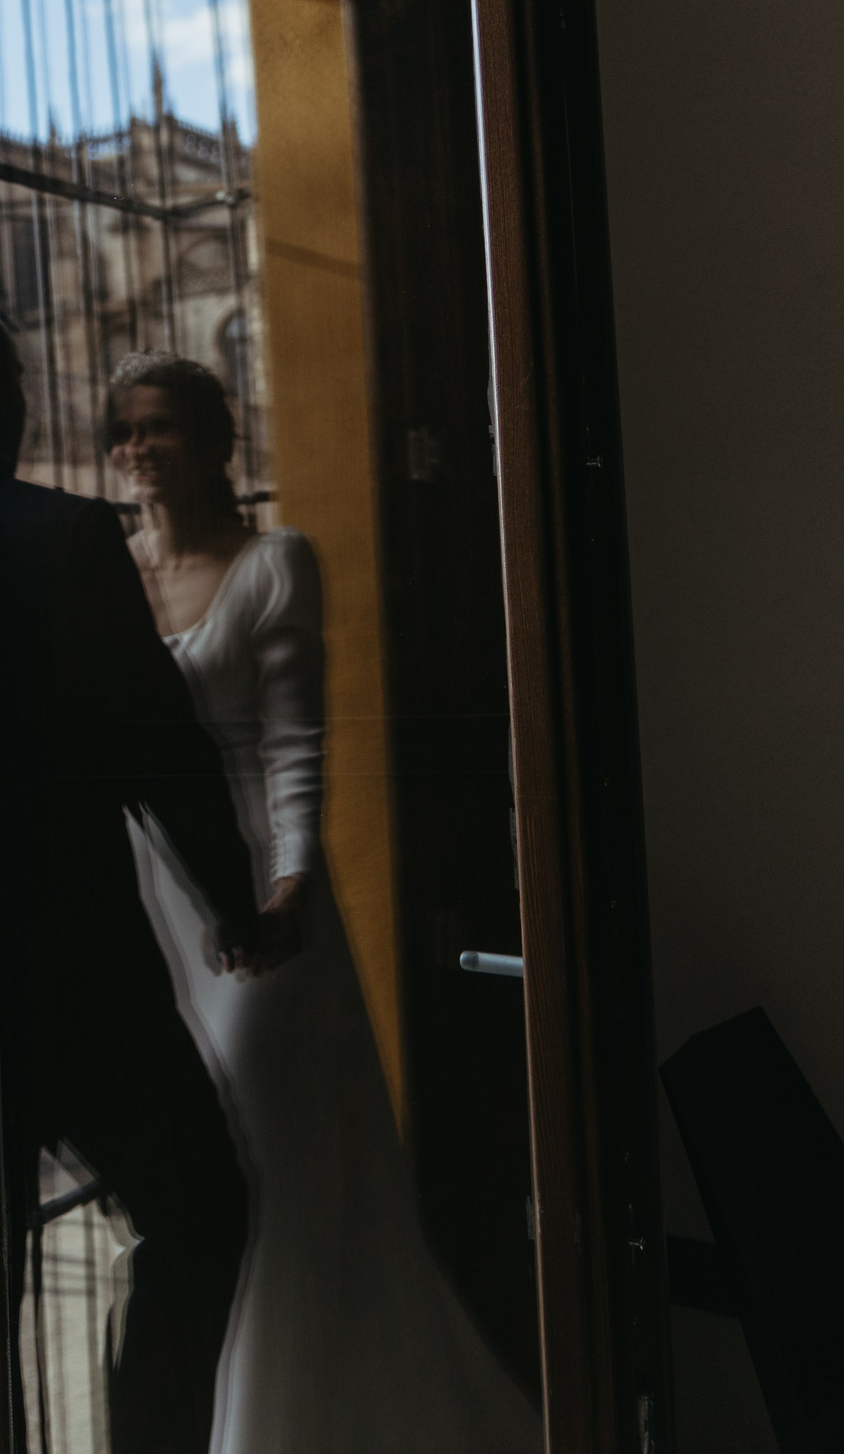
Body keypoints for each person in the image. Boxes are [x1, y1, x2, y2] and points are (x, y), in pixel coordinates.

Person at [104, 351, 540, 1453]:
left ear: (216, 440)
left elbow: (296, 743)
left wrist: (293, 881)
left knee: (267, 1161)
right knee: (185, 1178)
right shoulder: (110, 570)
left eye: (162, 425)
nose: (141, 447)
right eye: (128, 429)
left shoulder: (274, 563)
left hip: (260, 890)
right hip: (150, 897)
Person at [0, 317, 279, 1454]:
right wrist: (233, 902)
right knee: (201, 1207)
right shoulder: (62, 536)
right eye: (12, 380)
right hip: (77, 969)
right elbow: (159, 745)